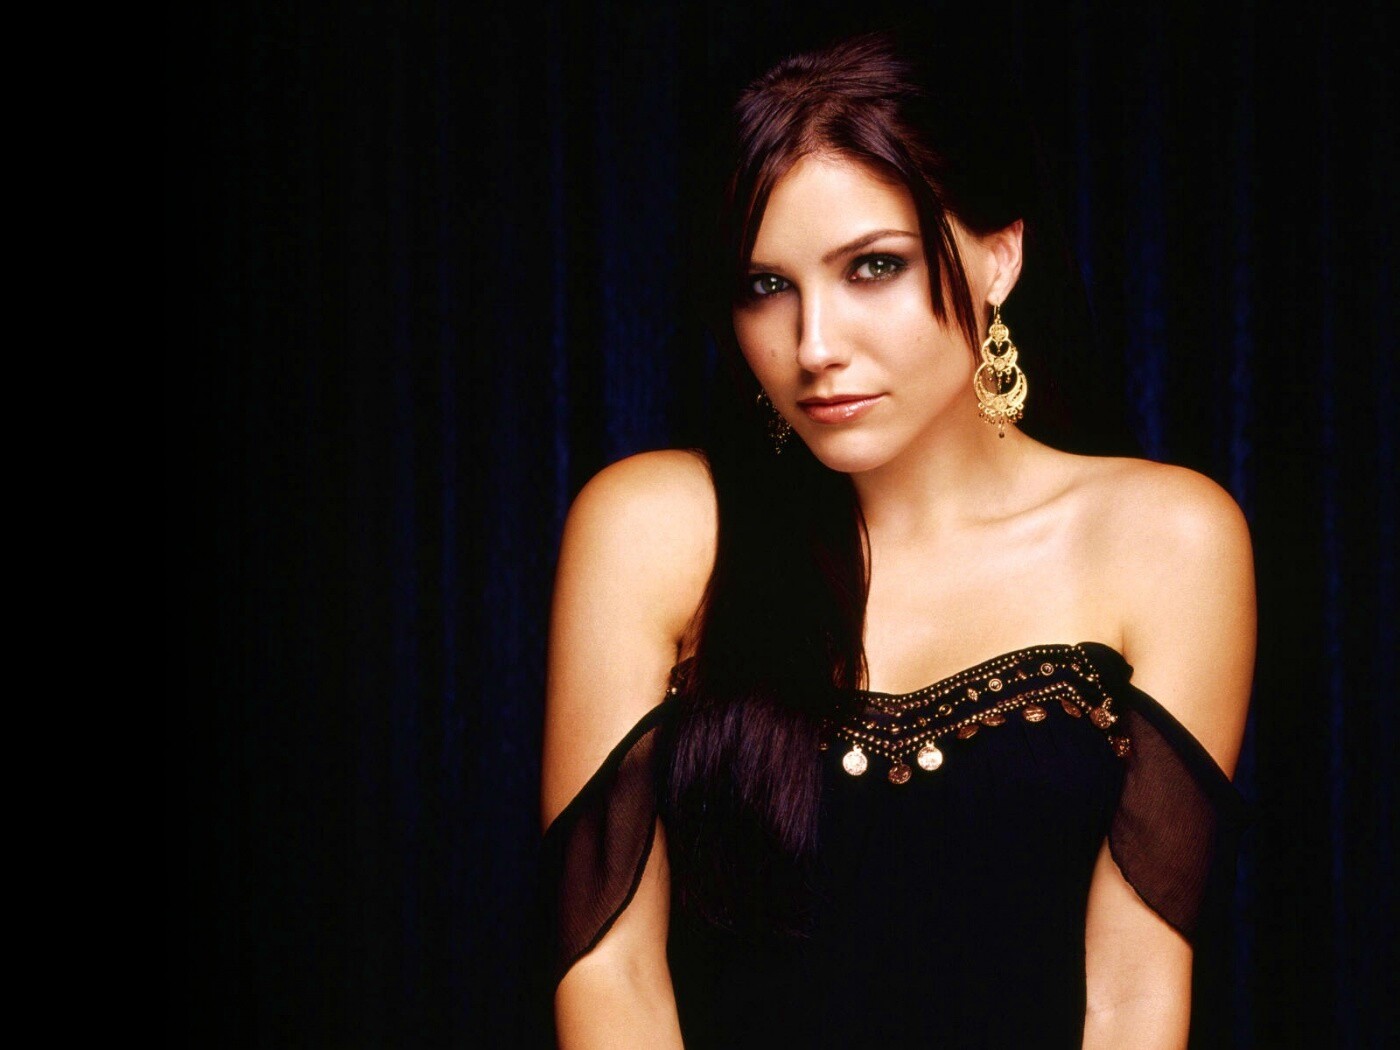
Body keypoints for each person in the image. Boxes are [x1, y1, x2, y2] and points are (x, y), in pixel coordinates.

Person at [539, 32, 1254, 1050]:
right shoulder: (655, 528)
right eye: (765, 286)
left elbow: (1132, 991)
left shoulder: (1166, 540)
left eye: (873, 267)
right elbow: (609, 972)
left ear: (999, 257)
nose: (814, 345)